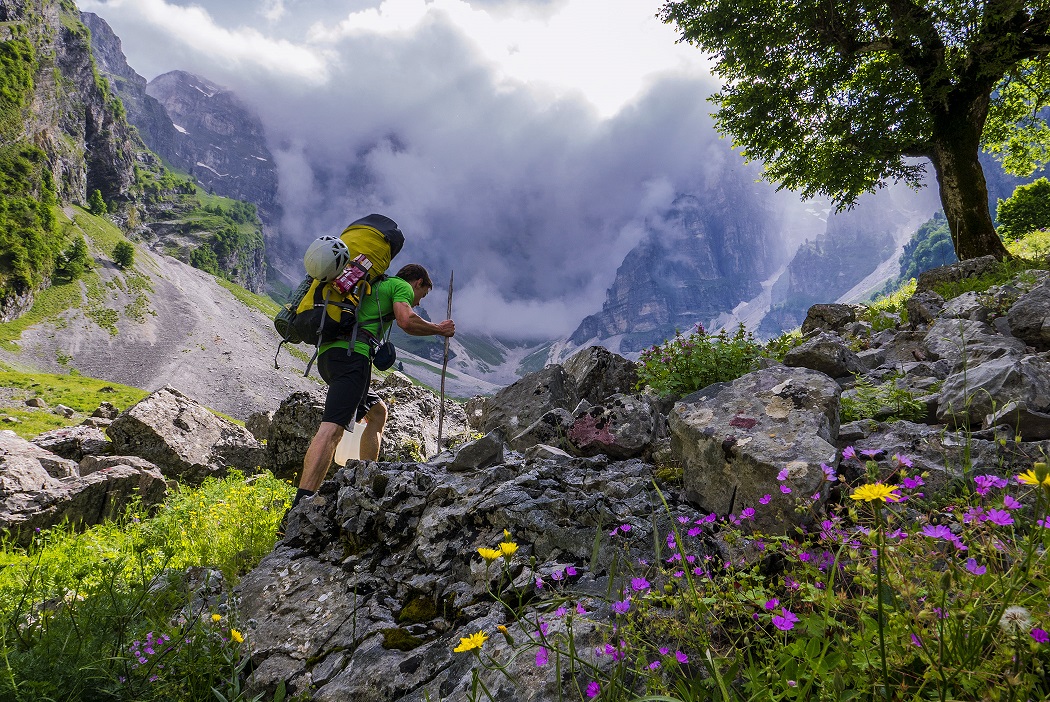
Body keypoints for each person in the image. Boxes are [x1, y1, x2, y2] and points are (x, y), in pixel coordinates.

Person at [290, 263, 455, 510]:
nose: (418, 301)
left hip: (329, 356)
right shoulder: (400, 286)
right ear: (418, 282)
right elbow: (406, 320)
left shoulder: (376, 285)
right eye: (423, 294)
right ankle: (300, 506)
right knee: (332, 430)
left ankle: (366, 479)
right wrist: (439, 329)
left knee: (377, 412)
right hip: (352, 357)